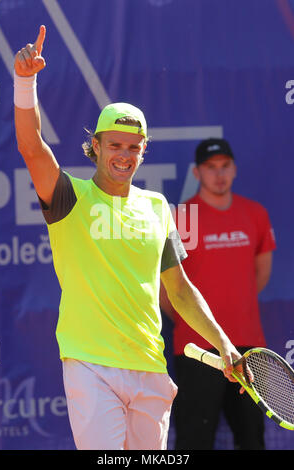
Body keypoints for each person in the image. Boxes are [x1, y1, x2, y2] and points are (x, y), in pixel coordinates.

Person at [14, 25, 243, 451]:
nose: (124, 154)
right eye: (114, 144)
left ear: (143, 151)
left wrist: (223, 342)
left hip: (150, 367)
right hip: (91, 364)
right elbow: (31, 147)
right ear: (96, 146)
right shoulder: (69, 196)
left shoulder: (157, 207)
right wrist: (25, 81)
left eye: (133, 147)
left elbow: (179, 289)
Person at [160, 137, 276, 450]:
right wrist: (199, 322)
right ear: (197, 173)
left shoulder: (255, 214)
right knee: (194, 440)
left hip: (250, 348)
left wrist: (235, 304)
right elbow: (166, 290)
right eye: (211, 168)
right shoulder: (181, 217)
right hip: (197, 348)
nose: (219, 174)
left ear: (234, 169)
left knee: (252, 439)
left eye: (225, 166)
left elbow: (260, 275)